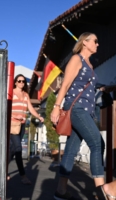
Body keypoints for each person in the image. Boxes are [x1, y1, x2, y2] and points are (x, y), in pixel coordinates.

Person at [50, 32, 106, 200]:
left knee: (70, 150)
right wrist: (56, 107)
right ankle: (102, 192)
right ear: (85, 42)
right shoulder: (77, 59)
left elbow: (91, 86)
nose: (98, 44)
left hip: (85, 110)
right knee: (97, 143)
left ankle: (61, 190)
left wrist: (107, 88)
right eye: (95, 41)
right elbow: (65, 84)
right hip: (76, 108)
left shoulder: (90, 64)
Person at [8, 74, 44, 184]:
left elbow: (30, 108)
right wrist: (14, 116)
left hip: (22, 125)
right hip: (13, 124)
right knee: (18, 148)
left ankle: (2, 171)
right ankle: (23, 176)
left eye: (23, 81)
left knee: (13, 149)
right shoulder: (11, 92)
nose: (21, 83)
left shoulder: (25, 95)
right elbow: (6, 108)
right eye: (19, 81)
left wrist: (38, 116)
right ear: (15, 82)